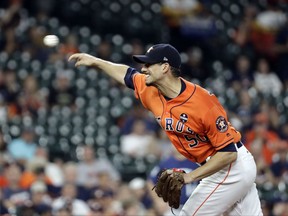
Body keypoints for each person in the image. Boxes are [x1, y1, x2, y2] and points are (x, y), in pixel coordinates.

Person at [69, 43, 263, 215]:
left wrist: (189, 177)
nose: (143, 69)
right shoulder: (151, 90)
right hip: (221, 166)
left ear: (164, 68)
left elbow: (229, 154)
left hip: (231, 166)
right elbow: (127, 75)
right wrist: (95, 61)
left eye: (148, 64)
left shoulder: (203, 103)